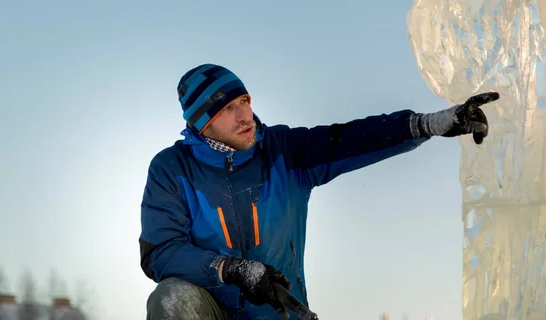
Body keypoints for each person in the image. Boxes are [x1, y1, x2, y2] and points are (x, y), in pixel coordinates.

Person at [139, 63, 499, 320]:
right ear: (202, 123)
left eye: (244, 101)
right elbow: (161, 252)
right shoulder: (172, 169)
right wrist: (230, 269)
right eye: (228, 109)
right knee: (172, 299)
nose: (244, 115)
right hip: (212, 310)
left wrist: (428, 124)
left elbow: (347, 140)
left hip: (280, 314)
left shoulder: (282, 151)